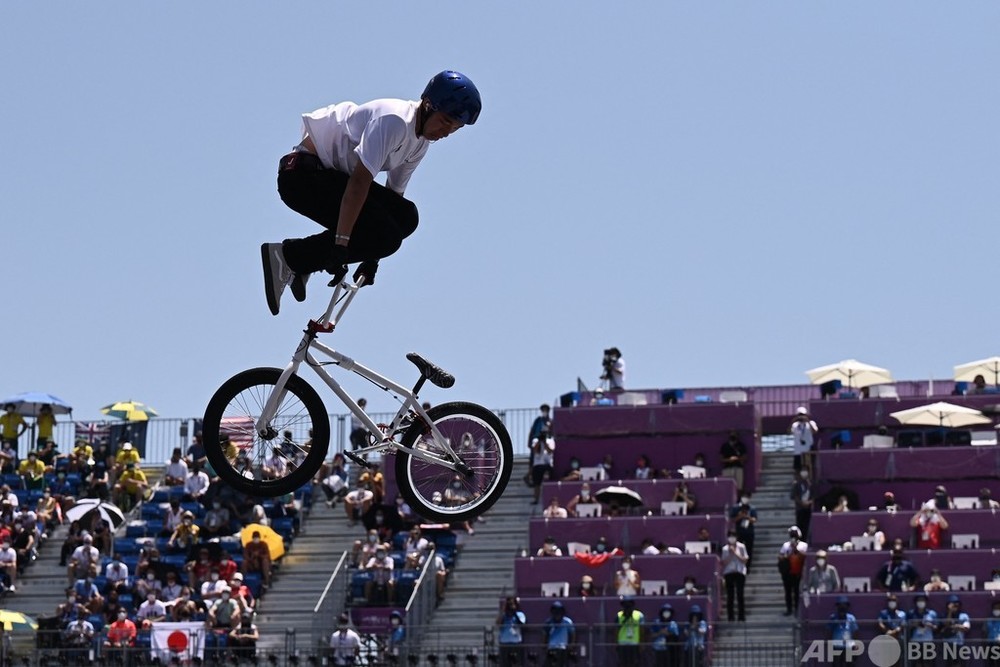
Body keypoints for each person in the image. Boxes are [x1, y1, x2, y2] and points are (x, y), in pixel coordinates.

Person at [261, 71, 482, 315]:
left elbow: (394, 200)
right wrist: (341, 244)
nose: (446, 132)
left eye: (454, 128)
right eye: (444, 121)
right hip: (301, 178)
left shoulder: (419, 143)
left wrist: (371, 257)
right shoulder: (394, 120)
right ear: (428, 106)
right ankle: (288, 257)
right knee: (386, 238)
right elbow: (358, 184)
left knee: (407, 217)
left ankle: (301, 260)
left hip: (332, 179)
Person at [778, 526, 807, 616]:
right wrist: (788, 554)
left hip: (798, 572)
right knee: (788, 591)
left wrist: (796, 549)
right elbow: (780, 557)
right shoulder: (786, 545)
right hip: (787, 572)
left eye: (795, 533)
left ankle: (797, 610)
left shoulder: (803, 545)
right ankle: (789, 609)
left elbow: (805, 557)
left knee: (797, 591)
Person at [721, 530, 749, 622]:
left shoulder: (741, 547)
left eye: (733, 536)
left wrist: (735, 553)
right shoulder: (725, 549)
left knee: (740, 594)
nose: (732, 538)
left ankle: (741, 616)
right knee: (730, 595)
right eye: (730, 536)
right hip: (729, 573)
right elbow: (724, 562)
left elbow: (744, 560)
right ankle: (731, 617)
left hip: (740, 572)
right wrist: (730, 554)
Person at [938, 594, 971, 665]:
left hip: (959, 643)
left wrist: (957, 626)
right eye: (952, 604)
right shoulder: (943, 615)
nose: (955, 606)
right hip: (947, 644)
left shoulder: (963, 615)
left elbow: (967, 628)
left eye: (956, 604)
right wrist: (950, 612)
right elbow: (946, 624)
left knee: (959, 663)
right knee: (949, 663)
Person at [907, 593, 938, 667]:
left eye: (923, 600)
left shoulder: (932, 613)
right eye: (919, 600)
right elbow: (905, 626)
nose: (921, 602)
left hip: (928, 641)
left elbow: (936, 627)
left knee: (928, 663)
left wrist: (930, 625)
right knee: (916, 663)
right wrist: (914, 624)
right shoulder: (911, 613)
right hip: (915, 641)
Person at [827, 596, 859, 667]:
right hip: (836, 646)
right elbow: (828, 632)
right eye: (840, 606)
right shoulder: (833, 618)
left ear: (847, 607)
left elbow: (855, 632)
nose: (842, 608)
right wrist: (828, 644)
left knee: (850, 664)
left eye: (844, 606)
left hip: (848, 646)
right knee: (836, 665)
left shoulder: (851, 618)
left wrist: (856, 643)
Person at [876, 593, 906, 667]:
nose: (892, 602)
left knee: (897, 660)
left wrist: (893, 632)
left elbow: (902, 625)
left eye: (893, 600)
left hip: (898, 639)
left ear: (897, 602)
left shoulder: (902, 614)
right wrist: (887, 632)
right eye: (890, 600)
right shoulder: (883, 613)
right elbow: (880, 623)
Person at [730, 491, 758, 567]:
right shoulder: (735, 508)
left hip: (749, 532)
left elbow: (755, 520)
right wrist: (740, 516)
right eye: (744, 496)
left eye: (747, 497)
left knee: (749, 549)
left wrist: (747, 517)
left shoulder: (752, 508)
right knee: (738, 549)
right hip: (739, 532)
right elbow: (732, 519)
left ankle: (747, 566)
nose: (745, 498)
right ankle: (738, 565)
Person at [543, 600, 575, 667]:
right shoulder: (548, 622)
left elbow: (572, 634)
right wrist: (545, 647)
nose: (557, 613)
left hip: (562, 648)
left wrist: (571, 646)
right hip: (551, 648)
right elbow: (544, 635)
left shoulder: (567, 622)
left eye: (559, 610)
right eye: (555, 610)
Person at [496, 596, 526, 667]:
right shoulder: (503, 616)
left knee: (517, 663)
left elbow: (522, 624)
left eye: (512, 604)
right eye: (509, 605)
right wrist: (503, 611)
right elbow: (498, 623)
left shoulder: (520, 614)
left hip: (516, 644)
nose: (510, 606)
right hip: (504, 644)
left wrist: (515, 612)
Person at [529, 423, 555, 504]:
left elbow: (550, 450)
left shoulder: (551, 441)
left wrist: (545, 442)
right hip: (537, 465)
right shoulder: (535, 441)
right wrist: (540, 441)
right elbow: (535, 450)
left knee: (547, 480)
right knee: (537, 483)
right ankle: (536, 499)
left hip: (547, 465)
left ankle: (549, 499)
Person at [649, 603, 681, 667]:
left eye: (668, 612)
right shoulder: (656, 622)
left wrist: (668, 633)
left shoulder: (673, 624)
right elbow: (651, 635)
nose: (666, 614)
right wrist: (660, 633)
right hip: (657, 648)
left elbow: (676, 636)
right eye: (665, 612)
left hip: (669, 649)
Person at [616, 596, 644, 666]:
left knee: (635, 663)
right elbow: (615, 630)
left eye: (629, 604)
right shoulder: (619, 615)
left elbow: (642, 630)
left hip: (634, 643)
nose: (627, 606)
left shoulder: (639, 615)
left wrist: (642, 643)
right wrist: (616, 643)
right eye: (625, 604)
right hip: (622, 643)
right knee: (623, 663)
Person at [789, 406, 818, 474]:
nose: (801, 417)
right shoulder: (795, 425)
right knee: (797, 469)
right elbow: (789, 431)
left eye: (803, 415)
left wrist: (807, 421)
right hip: (798, 451)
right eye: (800, 415)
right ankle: (798, 482)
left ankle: (809, 482)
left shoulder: (811, 423)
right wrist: (793, 421)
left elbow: (815, 431)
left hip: (808, 449)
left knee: (808, 467)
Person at [791, 467, 813, 541]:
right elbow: (793, 496)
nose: (804, 473)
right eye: (803, 471)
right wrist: (801, 503)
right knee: (800, 526)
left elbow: (814, 495)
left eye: (805, 471)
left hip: (808, 509)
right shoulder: (797, 483)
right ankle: (799, 541)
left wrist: (809, 502)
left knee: (807, 527)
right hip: (800, 509)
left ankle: (806, 542)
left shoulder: (811, 483)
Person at [985, 599, 1000, 667]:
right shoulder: (988, 620)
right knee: (990, 663)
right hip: (990, 644)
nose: (996, 610)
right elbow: (984, 632)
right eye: (995, 608)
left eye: (998, 608)